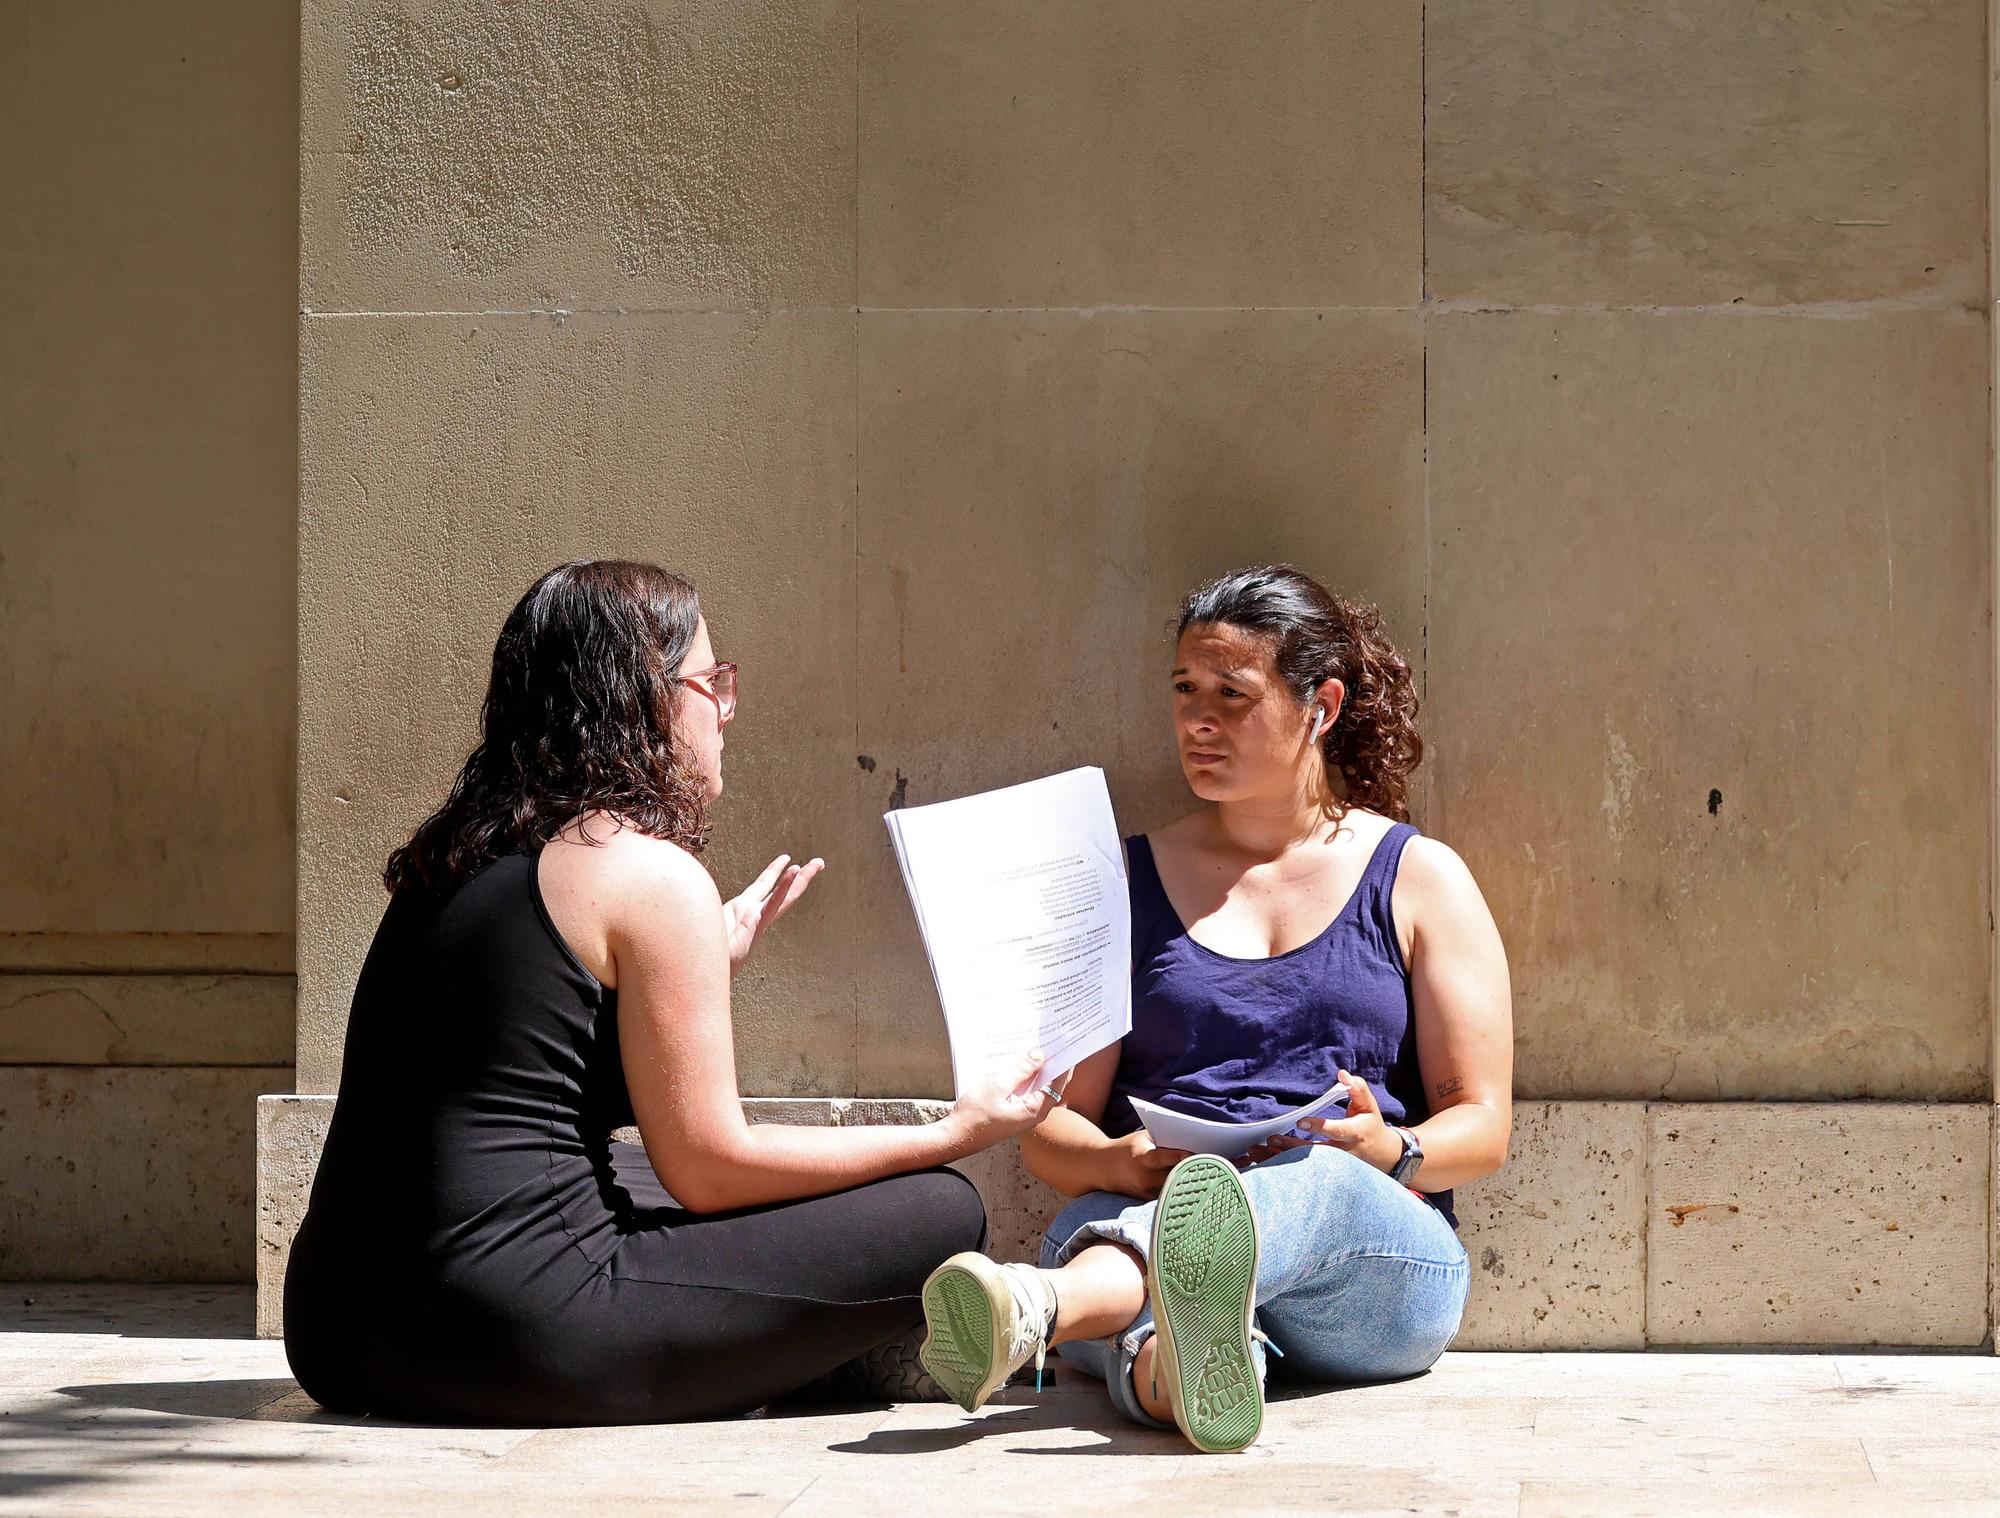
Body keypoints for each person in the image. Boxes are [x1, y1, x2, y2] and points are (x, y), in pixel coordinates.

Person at [283, 559, 1055, 1426]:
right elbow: (710, 1172)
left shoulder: (450, 856)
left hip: (339, 1335)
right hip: (508, 1338)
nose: (727, 707)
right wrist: (951, 1130)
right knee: (938, 1207)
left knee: (645, 1170)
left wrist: (694, 964)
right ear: (643, 699)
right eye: (709, 682)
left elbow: (519, 1085)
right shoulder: (646, 875)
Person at [917, 564, 1513, 1453]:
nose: (1199, 720)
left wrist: (1390, 1147)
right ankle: (1185, 1375)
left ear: (1323, 706)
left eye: (1233, 695)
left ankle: (1042, 1307)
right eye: (1185, 689)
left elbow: (1485, 1127)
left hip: (1372, 1261)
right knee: (1171, 1290)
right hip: (1140, 1208)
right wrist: (1122, 1161)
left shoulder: (1420, 877)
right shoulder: (1121, 881)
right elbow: (1050, 1130)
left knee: (1311, 1184)